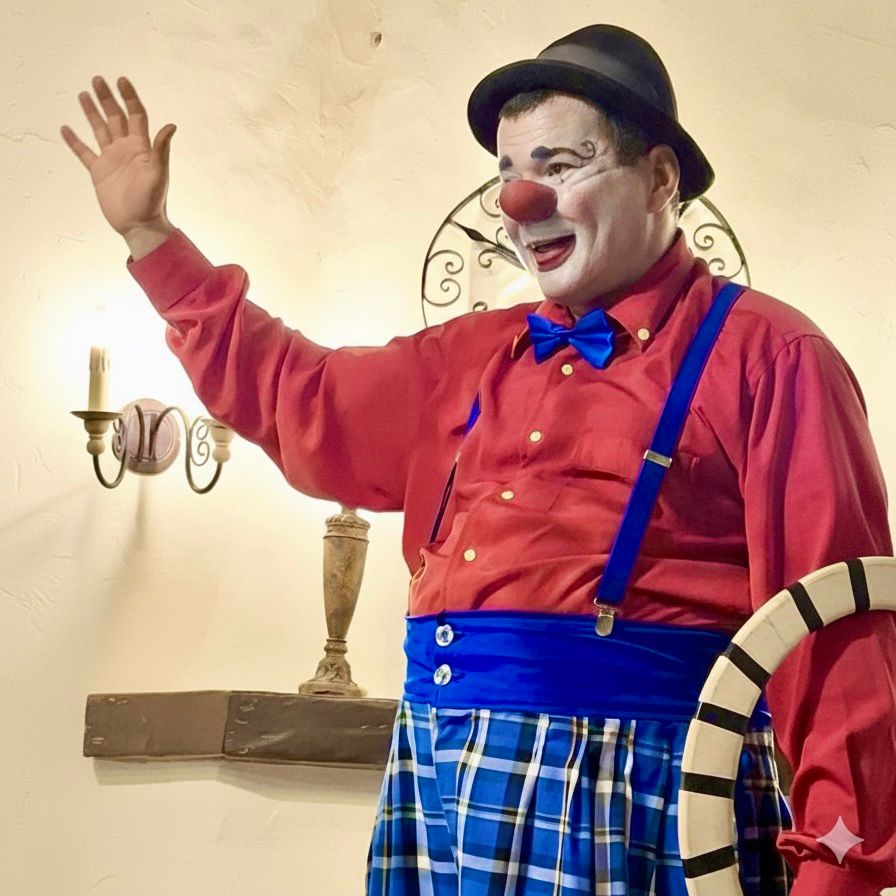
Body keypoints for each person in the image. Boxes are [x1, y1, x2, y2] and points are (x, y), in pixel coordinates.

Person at [61, 23, 895, 896]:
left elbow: (834, 630)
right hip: (436, 775)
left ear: (659, 178)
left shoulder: (772, 355)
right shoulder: (466, 356)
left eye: (560, 165)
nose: (520, 201)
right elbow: (295, 393)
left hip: (637, 797)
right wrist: (153, 238)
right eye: (508, 171)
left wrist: (839, 868)